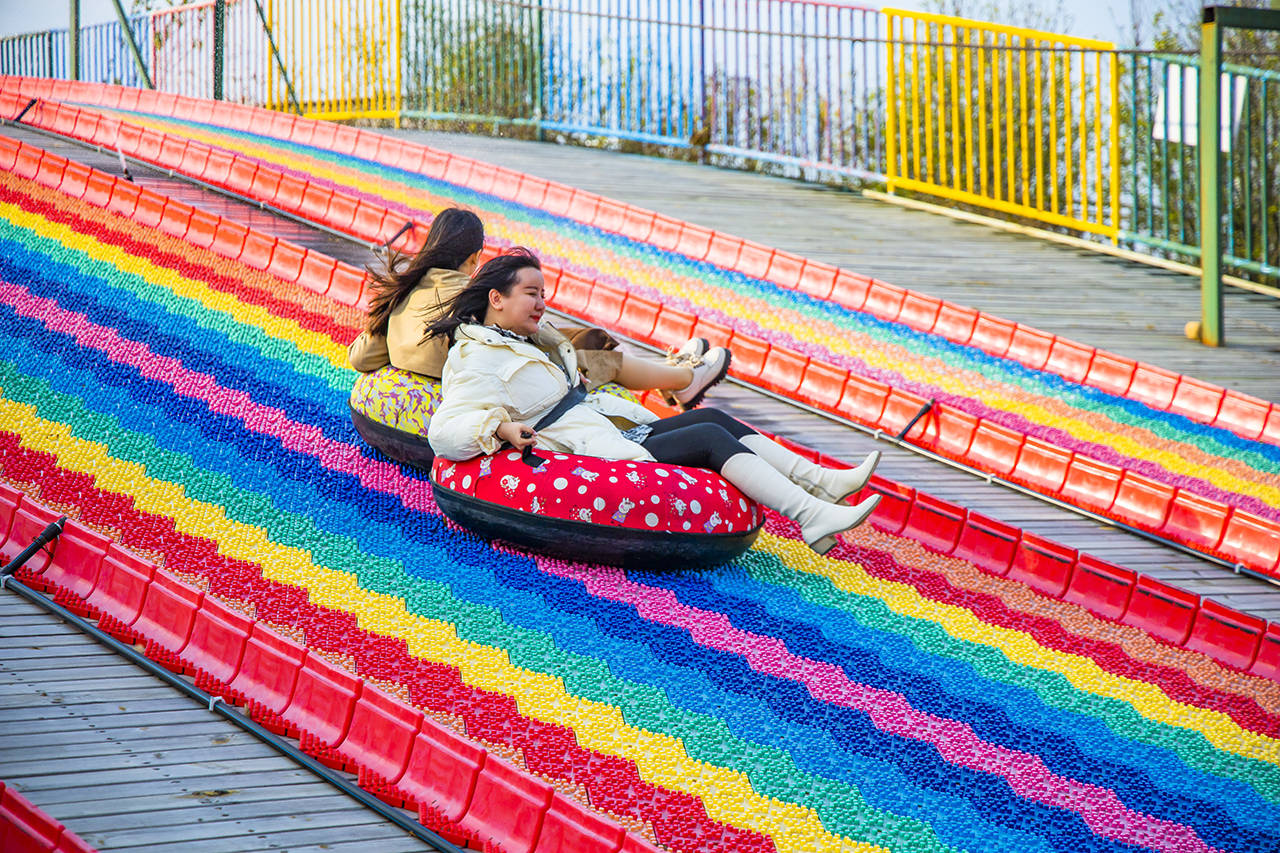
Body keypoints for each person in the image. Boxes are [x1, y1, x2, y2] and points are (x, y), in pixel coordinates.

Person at [426, 249, 883, 555]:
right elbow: (444, 431)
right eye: (531, 294)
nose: (542, 303)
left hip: (605, 426)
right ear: (496, 299)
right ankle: (812, 515)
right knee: (706, 436)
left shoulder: (523, 339)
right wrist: (500, 429)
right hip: (585, 450)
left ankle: (821, 483)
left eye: (543, 294)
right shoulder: (476, 356)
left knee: (713, 416)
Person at [347, 207, 728, 408]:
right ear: (476, 256)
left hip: (454, 367)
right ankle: (684, 380)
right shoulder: (469, 288)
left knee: (581, 341)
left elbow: (362, 358)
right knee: (597, 354)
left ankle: (673, 371)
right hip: (495, 375)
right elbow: (540, 341)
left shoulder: (402, 290)